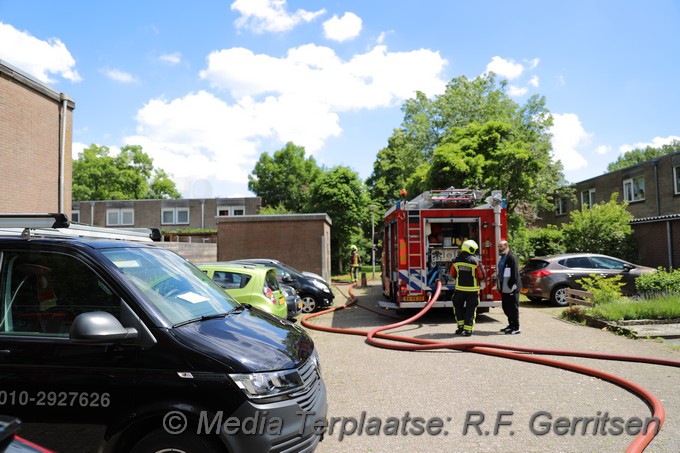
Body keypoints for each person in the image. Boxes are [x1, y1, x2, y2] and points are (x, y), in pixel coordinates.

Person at [449, 239, 486, 337]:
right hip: (472, 290)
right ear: (472, 249)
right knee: (471, 310)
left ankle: (460, 327)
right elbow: (482, 276)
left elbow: (452, 274)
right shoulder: (476, 261)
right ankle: (468, 330)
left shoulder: (455, 260)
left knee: (458, 308)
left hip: (459, 289)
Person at [497, 240, 521, 334]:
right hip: (504, 286)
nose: (499, 248)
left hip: (511, 287)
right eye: (498, 246)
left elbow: (514, 274)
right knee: (505, 306)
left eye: (501, 246)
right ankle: (511, 324)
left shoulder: (511, 257)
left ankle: (516, 327)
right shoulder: (503, 257)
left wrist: (511, 286)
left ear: (506, 246)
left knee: (513, 307)